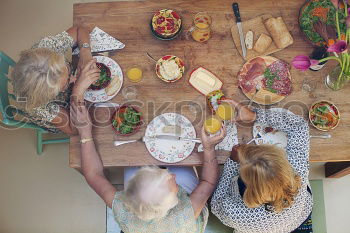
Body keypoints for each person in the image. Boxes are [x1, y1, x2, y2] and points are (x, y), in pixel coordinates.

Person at [69, 102, 226, 233]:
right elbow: (208, 182)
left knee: (135, 157)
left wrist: (85, 133)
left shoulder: (123, 211)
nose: (171, 175)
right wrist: (209, 148)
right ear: (173, 203)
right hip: (187, 218)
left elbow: (92, 175)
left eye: (157, 173)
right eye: (170, 182)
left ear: (128, 194)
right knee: (184, 165)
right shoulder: (184, 214)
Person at [211, 99, 313, 233]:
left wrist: (232, 163)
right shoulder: (297, 167)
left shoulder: (235, 213)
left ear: (249, 187)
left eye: (242, 169)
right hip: (298, 218)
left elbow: (216, 204)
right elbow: (300, 126)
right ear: (283, 163)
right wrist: (254, 115)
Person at [11, 27, 100, 134]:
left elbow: (79, 30)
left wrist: (85, 53)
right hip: (66, 110)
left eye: (66, 67)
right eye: (66, 83)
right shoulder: (38, 106)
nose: (74, 78)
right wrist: (77, 91)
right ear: (50, 95)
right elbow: (74, 130)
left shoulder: (46, 49)